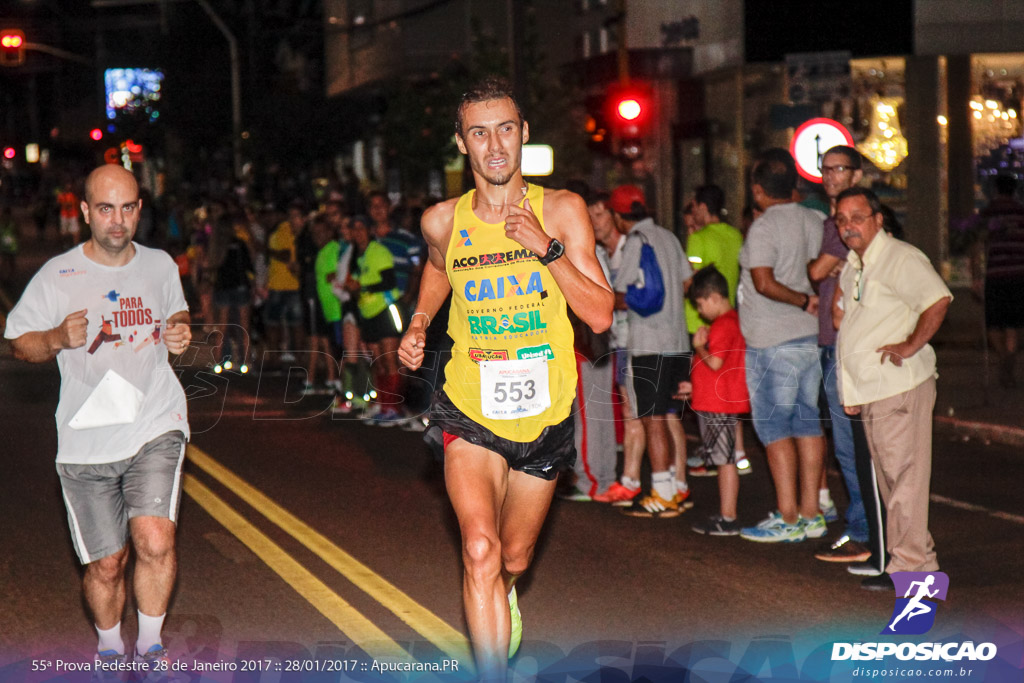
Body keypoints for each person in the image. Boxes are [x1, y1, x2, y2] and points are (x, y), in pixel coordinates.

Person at [397, 77, 612, 679]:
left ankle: (502, 589)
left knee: (512, 555)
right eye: (480, 132)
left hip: (545, 414)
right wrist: (418, 322)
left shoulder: (562, 211)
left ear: (523, 135)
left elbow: (598, 314)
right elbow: (441, 270)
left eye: (506, 129)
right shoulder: (442, 220)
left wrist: (546, 251)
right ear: (462, 144)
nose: (495, 145)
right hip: (469, 404)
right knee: (480, 549)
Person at [4, 165, 192, 675]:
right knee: (106, 564)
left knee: (155, 539)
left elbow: (176, 314)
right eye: (105, 209)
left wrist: (178, 332)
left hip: (155, 419)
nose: (117, 220)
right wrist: (56, 340)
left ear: (139, 210)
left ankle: (150, 645)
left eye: (128, 207)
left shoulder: (159, 265)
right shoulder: (59, 275)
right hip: (86, 439)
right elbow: (19, 343)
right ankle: (110, 645)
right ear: (85, 211)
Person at [834, 187, 952, 591]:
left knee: (905, 482)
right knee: (893, 483)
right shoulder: (855, 265)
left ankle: (912, 570)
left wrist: (910, 345)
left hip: (899, 385)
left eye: (857, 217)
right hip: (872, 389)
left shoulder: (900, 257)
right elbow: (848, 325)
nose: (848, 226)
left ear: (877, 219)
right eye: (841, 220)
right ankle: (917, 565)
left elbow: (936, 300)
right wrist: (850, 392)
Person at [737, 148, 828, 543]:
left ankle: (788, 517)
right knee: (808, 422)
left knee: (775, 428)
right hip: (810, 337)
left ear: (758, 191)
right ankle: (813, 512)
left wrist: (801, 299)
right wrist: (812, 303)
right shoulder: (818, 219)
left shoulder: (765, 227)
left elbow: (762, 281)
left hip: (773, 339)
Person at [805, 145, 874, 565]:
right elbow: (819, 271)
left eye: (839, 169)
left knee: (854, 445)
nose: (830, 176)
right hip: (833, 342)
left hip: (849, 345)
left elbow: (814, 271)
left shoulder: (846, 222)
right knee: (848, 444)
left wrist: (825, 266)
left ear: (857, 173)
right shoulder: (832, 220)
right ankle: (864, 528)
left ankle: (866, 533)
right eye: (825, 169)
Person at [608, 184, 694, 518]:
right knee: (669, 417)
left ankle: (660, 491)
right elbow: (687, 282)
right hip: (678, 342)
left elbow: (621, 291)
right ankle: (674, 488)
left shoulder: (635, 242)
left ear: (618, 217)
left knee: (652, 420)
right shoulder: (670, 238)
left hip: (649, 343)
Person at [684, 184, 750, 477]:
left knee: (713, 389)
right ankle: (739, 453)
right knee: (730, 389)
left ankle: (716, 456)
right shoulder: (736, 235)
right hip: (733, 315)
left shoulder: (698, 238)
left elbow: (692, 281)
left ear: (701, 206)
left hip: (703, 325)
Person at [585, 191, 647, 505]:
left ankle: (637, 482)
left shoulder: (630, 247)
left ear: (615, 216)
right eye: (590, 215)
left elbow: (638, 294)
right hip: (618, 342)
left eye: (600, 214)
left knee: (645, 413)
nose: (595, 221)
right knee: (629, 410)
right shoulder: (599, 252)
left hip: (641, 341)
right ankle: (631, 480)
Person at [685, 266, 750, 535]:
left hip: (719, 404)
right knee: (724, 458)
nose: (700, 311)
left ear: (713, 298)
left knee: (724, 460)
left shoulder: (723, 324)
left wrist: (699, 344)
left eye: (700, 304)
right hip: (718, 401)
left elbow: (715, 361)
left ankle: (728, 516)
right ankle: (726, 513)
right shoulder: (731, 321)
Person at [971, 174, 1024, 387]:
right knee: (1014, 323)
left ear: (995, 190)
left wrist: (975, 276)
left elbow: (976, 247)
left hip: (995, 275)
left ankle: (1004, 357)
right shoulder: (1021, 213)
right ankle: (1008, 358)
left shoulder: (987, 214)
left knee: (994, 322)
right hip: (1019, 275)